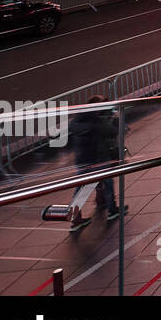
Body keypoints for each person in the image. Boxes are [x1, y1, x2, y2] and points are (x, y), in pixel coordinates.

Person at [68, 94, 121, 232]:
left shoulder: (79, 120)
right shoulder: (97, 122)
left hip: (82, 159)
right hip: (96, 159)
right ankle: (112, 209)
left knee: (82, 189)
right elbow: (113, 131)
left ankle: (76, 219)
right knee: (107, 182)